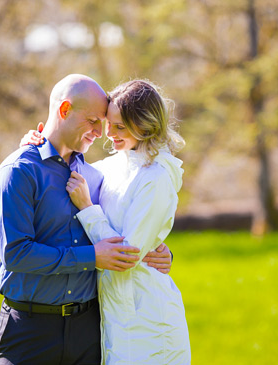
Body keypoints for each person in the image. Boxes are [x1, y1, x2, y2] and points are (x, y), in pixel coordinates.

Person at [0, 74, 173, 365]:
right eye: (93, 121)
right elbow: (15, 253)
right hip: (31, 330)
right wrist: (91, 257)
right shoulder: (19, 172)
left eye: (106, 123)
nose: (101, 132)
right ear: (64, 111)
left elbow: (123, 220)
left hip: (89, 330)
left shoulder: (96, 176)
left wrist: (156, 247)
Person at [65, 80, 190, 363]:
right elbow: (62, 163)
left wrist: (87, 207)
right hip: (115, 315)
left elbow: (125, 256)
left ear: (145, 126)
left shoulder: (156, 177)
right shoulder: (113, 165)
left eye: (120, 127)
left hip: (149, 320)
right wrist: (34, 144)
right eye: (109, 124)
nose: (110, 134)